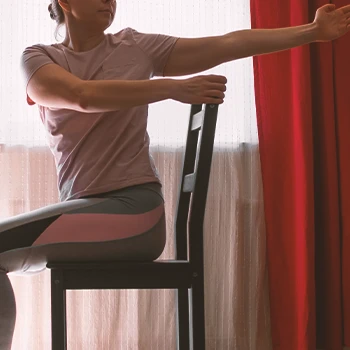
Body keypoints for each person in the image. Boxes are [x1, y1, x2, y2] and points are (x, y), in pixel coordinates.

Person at [1, 0, 350, 348]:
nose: (110, 1)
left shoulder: (135, 47)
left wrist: (313, 32)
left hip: (136, 214)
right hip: (86, 214)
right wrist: (171, 89)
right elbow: (81, 96)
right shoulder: (38, 59)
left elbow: (226, 43)